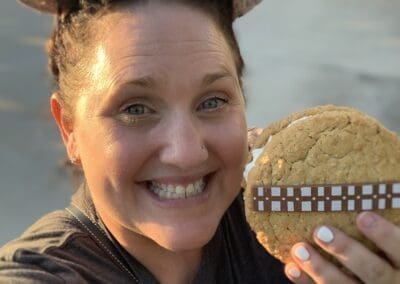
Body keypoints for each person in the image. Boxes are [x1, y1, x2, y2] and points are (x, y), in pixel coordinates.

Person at [0, 0, 399, 283]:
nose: (186, 151)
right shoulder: (38, 274)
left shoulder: (321, 244)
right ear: (68, 129)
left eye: (213, 101)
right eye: (136, 109)